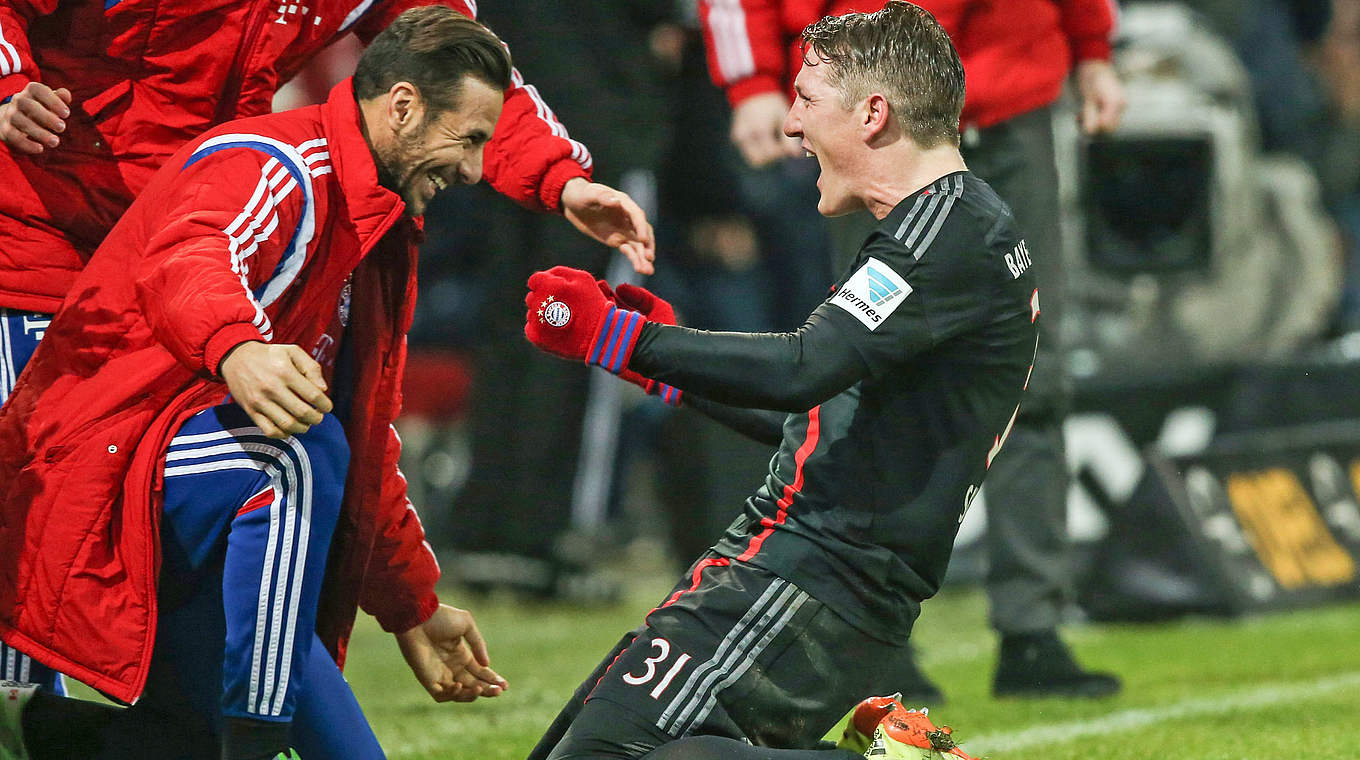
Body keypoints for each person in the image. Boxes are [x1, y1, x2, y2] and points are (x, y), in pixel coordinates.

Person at [0, 0, 654, 695]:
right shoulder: (302, 181)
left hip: (218, 230)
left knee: (293, 463)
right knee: (42, 510)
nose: (466, 171)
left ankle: (202, 726)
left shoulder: (311, 199)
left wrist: (559, 176)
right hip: (48, 225)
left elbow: (456, 59)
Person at [522, 4, 1036, 759]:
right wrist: (651, 364)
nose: (792, 125)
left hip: (811, 581)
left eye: (805, 98)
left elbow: (804, 368)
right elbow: (825, 414)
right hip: (798, 574)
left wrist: (622, 334)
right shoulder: (951, 227)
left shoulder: (938, 240)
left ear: (872, 113)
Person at [697, 0, 1125, 700]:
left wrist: (1093, 44)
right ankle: (870, 636)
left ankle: (1033, 629)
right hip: (876, 114)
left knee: (1030, 376)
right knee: (866, 372)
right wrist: (752, 83)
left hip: (1005, 97)